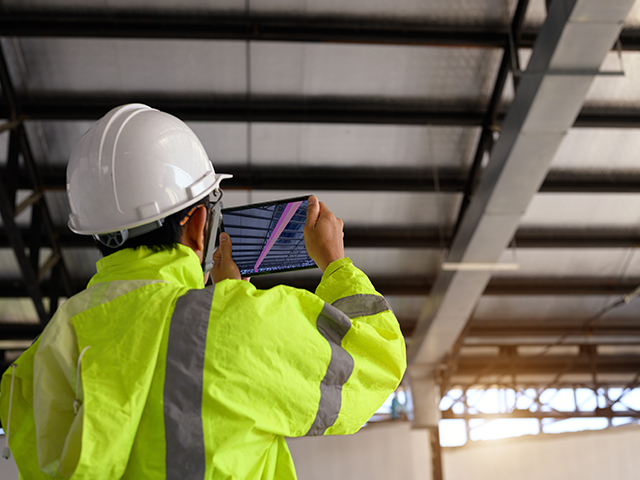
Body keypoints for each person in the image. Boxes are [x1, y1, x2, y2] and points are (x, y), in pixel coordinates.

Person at [0, 104, 406, 480]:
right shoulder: (239, 325)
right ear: (197, 225)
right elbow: (377, 360)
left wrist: (222, 307)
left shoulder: (38, 360)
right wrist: (336, 264)